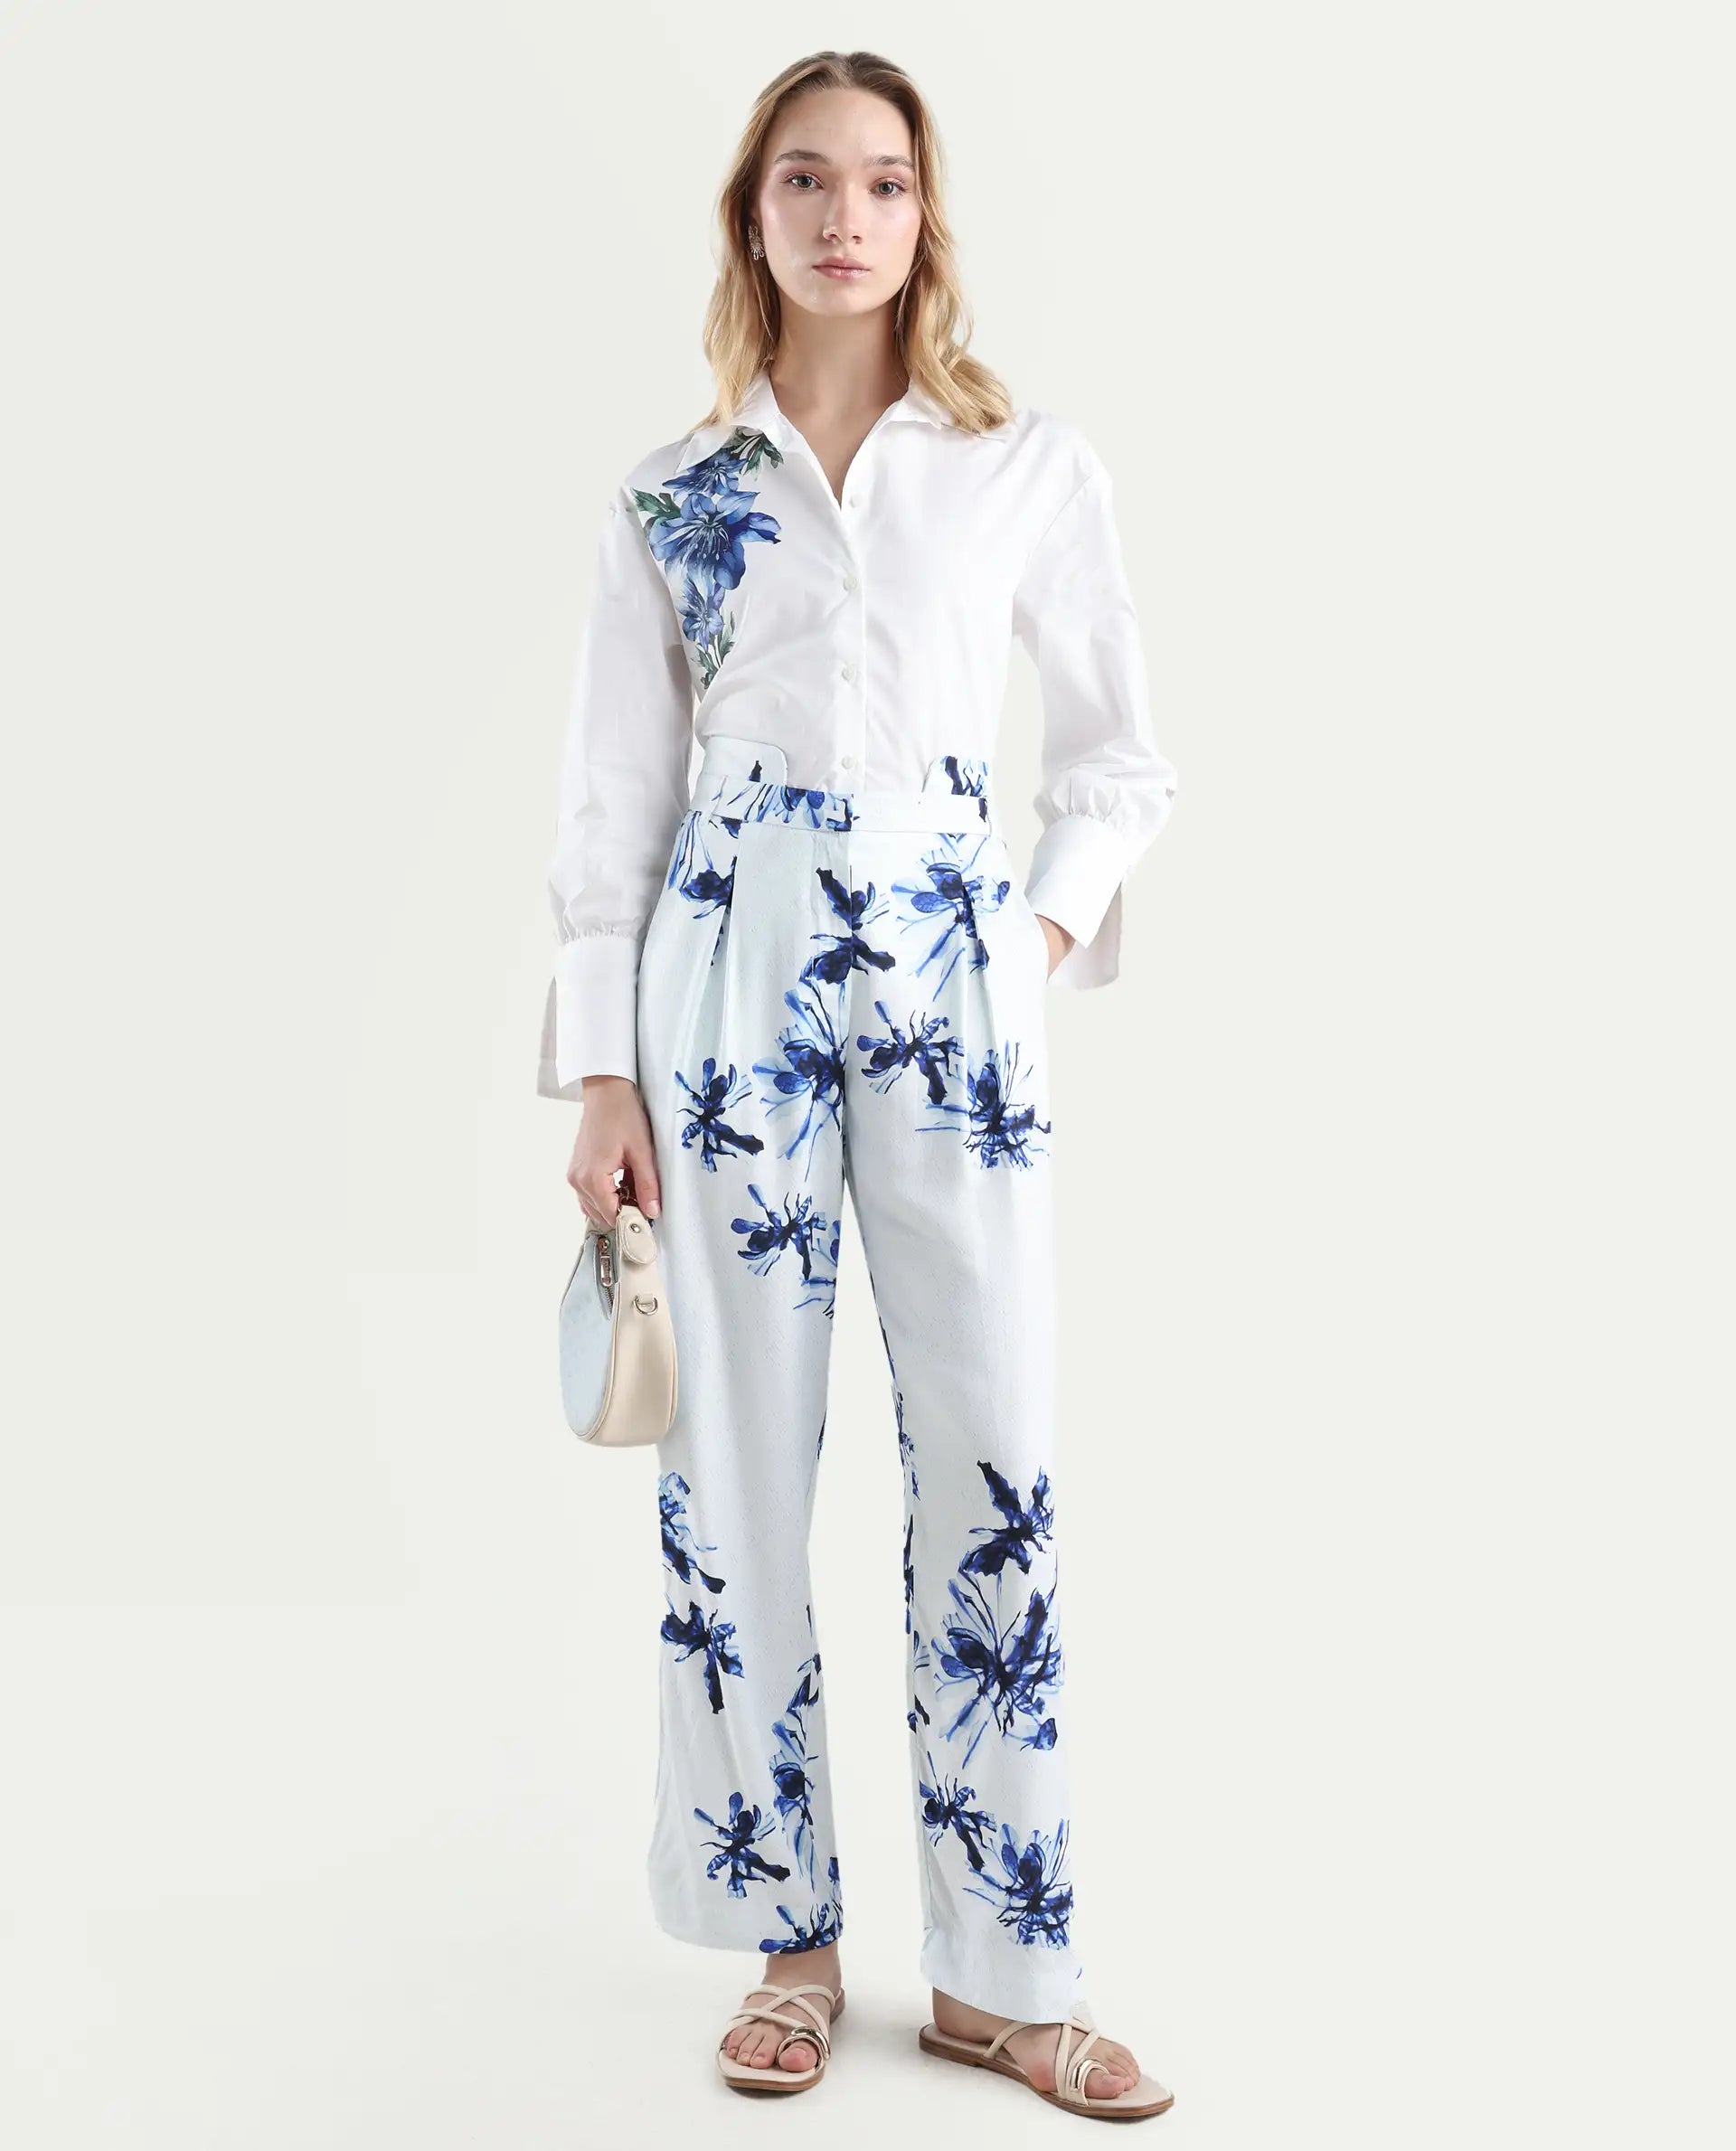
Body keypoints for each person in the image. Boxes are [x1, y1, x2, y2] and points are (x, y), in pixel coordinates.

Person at [537, 48, 1178, 2121]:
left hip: (952, 982)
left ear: (925, 216)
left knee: (995, 1450)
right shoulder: (675, 493)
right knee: (731, 1460)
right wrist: (603, 1072)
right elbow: (612, 802)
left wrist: (1028, 939)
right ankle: (786, 1942)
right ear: (755, 213)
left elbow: (1121, 758)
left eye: (883, 182)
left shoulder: (1021, 468)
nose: (844, 217)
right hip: (720, 982)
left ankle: (1006, 1972)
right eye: (806, 180)